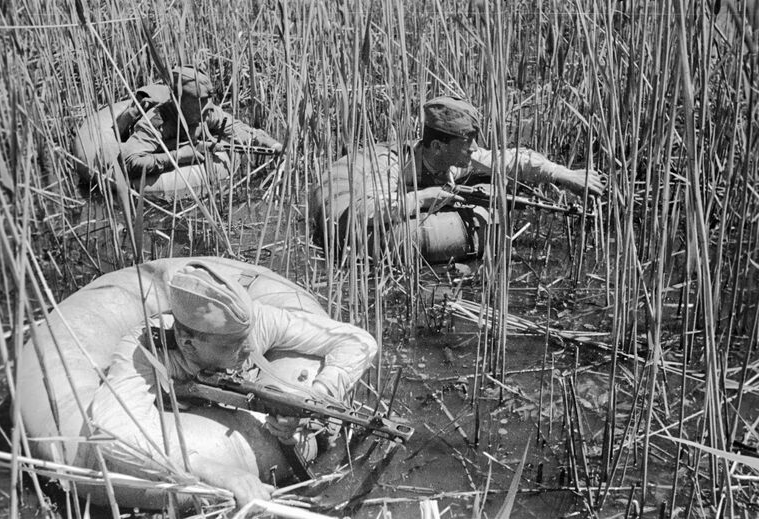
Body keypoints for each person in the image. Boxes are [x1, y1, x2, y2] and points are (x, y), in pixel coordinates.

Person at [89, 261, 378, 508]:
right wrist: (210, 469)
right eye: (234, 345)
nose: (249, 350)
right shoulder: (145, 352)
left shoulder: (257, 322)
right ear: (189, 344)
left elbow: (358, 341)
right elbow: (113, 430)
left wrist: (316, 396)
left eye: (247, 338)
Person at [311, 95, 606, 262]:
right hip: (351, 188)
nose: (476, 148)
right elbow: (360, 212)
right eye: (468, 141)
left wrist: (564, 174)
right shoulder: (389, 166)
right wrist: (424, 198)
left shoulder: (459, 159)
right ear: (438, 147)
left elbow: (512, 158)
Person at [122, 66, 283, 179]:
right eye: (200, 102)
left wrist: (272, 145)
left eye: (208, 100)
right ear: (180, 102)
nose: (209, 107)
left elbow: (238, 129)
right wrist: (178, 156)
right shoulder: (156, 122)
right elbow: (129, 162)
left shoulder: (206, 112)